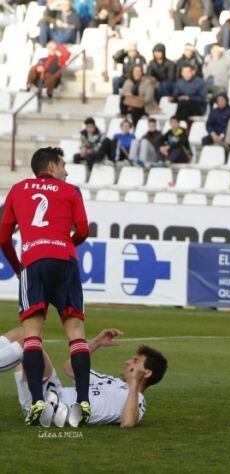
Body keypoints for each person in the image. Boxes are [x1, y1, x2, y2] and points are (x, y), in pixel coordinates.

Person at [0, 147, 91, 427]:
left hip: (33, 263)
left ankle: (37, 401)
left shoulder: (17, 189)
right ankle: (83, 403)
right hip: (66, 262)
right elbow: (84, 231)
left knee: (32, 336)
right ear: (51, 167)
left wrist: (19, 268)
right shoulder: (71, 191)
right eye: (63, 165)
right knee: (75, 333)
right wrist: (63, 247)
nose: (67, 171)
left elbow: (3, 237)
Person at [1, 326, 167, 428]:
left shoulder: (138, 399)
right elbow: (70, 368)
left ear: (147, 373)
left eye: (135, 361)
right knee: (25, 332)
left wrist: (134, 384)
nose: (127, 361)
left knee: (29, 342)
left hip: (53, 407)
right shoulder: (110, 382)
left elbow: (128, 423)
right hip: (50, 394)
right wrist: (96, 343)